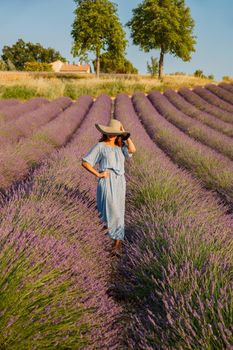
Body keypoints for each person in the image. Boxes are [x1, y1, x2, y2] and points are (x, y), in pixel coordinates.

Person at [81, 118, 136, 256]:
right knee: (108, 211)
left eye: (115, 133)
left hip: (120, 182)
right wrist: (98, 174)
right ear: (105, 133)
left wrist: (126, 135)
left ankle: (116, 246)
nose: (112, 135)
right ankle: (103, 243)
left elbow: (133, 150)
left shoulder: (121, 147)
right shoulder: (100, 146)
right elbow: (85, 162)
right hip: (107, 181)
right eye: (110, 132)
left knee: (119, 212)